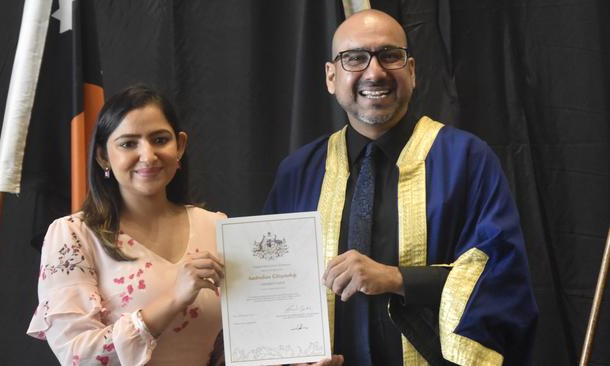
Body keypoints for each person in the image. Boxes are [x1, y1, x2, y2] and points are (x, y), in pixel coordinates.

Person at [264, 9, 538, 366]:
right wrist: (291, 355)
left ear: (411, 71)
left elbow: (503, 275)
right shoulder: (298, 172)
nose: (374, 72)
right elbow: (273, 286)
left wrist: (397, 278)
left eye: (390, 56)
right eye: (355, 58)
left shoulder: (466, 160)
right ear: (331, 77)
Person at [27, 85, 226, 365]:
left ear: (179, 145)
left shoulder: (217, 227)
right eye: (128, 143)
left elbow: (234, 340)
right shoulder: (73, 235)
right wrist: (173, 299)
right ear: (103, 156)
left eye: (159, 139)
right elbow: (79, 355)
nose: (148, 155)